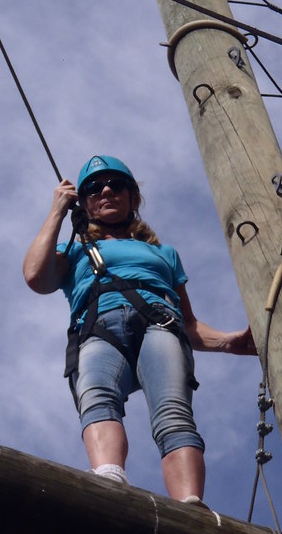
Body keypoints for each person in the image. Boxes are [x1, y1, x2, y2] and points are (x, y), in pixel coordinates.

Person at [23, 154, 256, 504]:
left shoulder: (164, 253)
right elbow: (36, 277)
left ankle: (190, 506)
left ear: (132, 197)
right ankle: (109, 479)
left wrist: (229, 342)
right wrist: (57, 210)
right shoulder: (74, 249)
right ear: (83, 202)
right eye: (93, 188)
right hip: (99, 325)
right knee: (98, 395)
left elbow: (190, 325)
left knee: (173, 412)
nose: (105, 190)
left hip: (160, 323)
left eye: (116, 185)